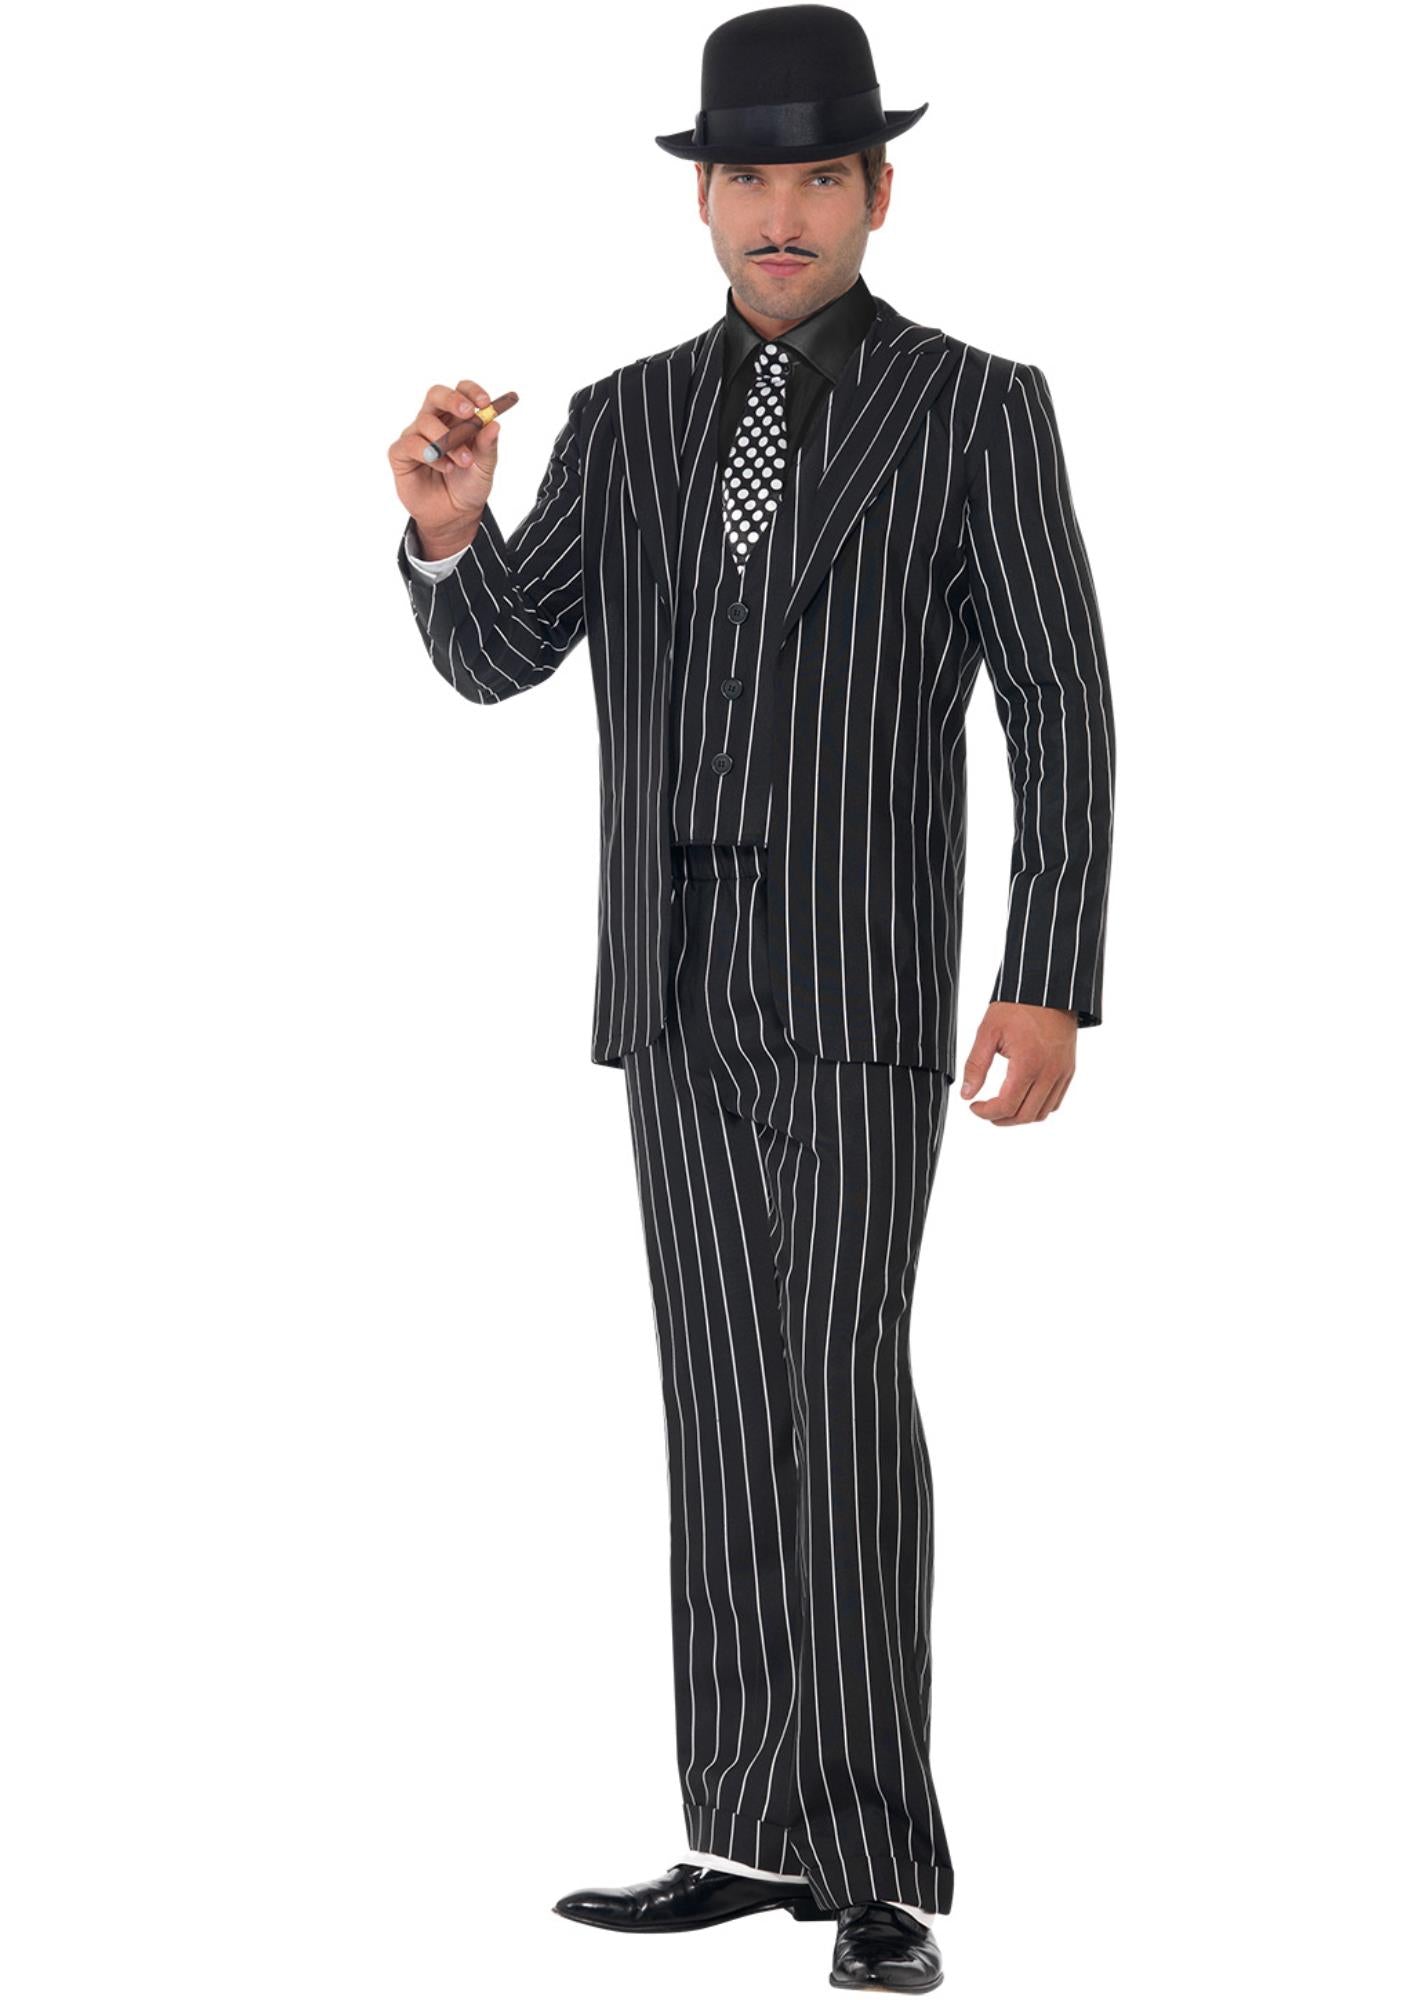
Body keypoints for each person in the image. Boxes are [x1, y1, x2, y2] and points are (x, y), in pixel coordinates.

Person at [386, 5, 1117, 1988]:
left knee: (839, 1389)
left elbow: (1059, 698)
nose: (779, 212)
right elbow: (500, 654)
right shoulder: (624, 421)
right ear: (700, 198)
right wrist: (448, 531)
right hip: (672, 978)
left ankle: (874, 1858)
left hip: (862, 979)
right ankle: (744, 1828)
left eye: (817, 177)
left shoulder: (975, 407)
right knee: (717, 1399)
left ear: (878, 194)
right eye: (747, 177)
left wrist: (1048, 971)